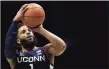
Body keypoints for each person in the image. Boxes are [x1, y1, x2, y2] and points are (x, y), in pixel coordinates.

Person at [4, 4, 66, 69]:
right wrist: (15, 21)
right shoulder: (15, 57)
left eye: (29, 30)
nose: (28, 32)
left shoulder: (46, 50)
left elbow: (62, 46)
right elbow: (8, 47)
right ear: (18, 41)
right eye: (23, 32)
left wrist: (41, 30)